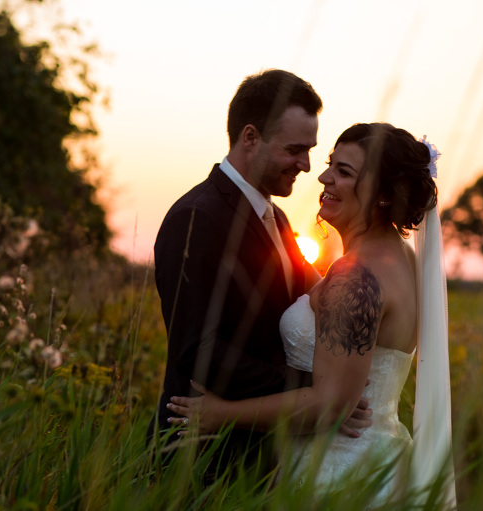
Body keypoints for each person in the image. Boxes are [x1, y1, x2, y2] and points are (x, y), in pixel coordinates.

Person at [167, 123, 457, 508]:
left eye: (344, 172)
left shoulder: (355, 278)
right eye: (330, 164)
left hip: (337, 474)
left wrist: (223, 414)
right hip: (381, 458)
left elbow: (331, 405)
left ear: (385, 195)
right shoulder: (399, 258)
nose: (323, 177)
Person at [147, 69, 368, 478]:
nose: (306, 165)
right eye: (295, 150)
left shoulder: (279, 220)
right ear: (250, 137)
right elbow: (199, 351)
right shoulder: (196, 218)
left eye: (310, 151)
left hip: (262, 456)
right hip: (201, 458)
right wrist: (314, 392)